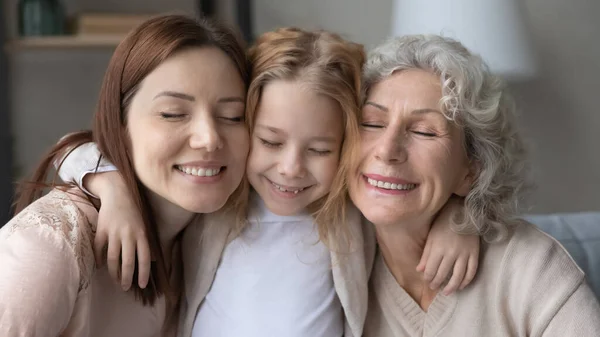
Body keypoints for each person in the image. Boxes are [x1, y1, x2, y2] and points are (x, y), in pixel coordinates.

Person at [55, 29, 480, 337]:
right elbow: (67, 150)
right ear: (243, 127)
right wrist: (113, 189)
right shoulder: (215, 198)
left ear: (348, 145)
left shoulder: (350, 210)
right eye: (270, 141)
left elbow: (420, 194)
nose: (290, 168)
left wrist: (457, 220)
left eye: (319, 150)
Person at [0, 14, 250, 337]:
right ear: (120, 124)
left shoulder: (207, 237)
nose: (210, 138)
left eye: (233, 116)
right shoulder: (51, 247)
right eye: (173, 114)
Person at [353, 34, 600, 336]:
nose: (387, 150)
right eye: (371, 123)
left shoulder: (528, 265)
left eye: (424, 132)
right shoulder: (333, 261)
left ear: (472, 169)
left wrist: (464, 217)